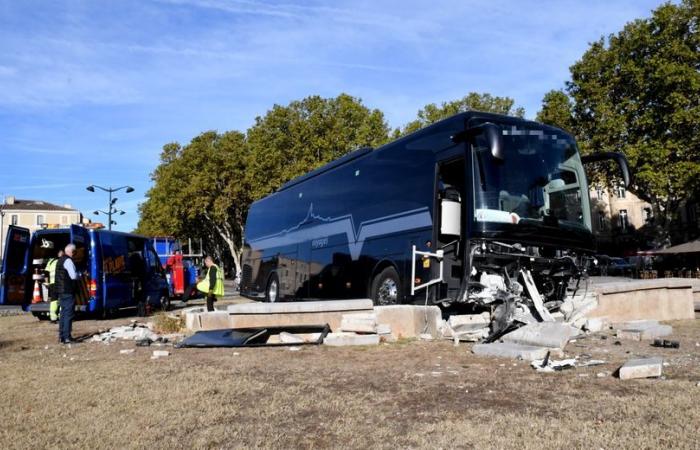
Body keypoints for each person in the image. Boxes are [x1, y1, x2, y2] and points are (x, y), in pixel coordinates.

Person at [55, 243, 79, 344]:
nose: (75, 254)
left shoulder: (60, 260)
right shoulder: (68, 261)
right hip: (68, 290)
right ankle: (67, 337)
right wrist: (80, 275)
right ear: (72, 251)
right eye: (74, 252)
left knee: (63, 314)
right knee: (68, 314)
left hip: (60, 291)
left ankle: (61, 337)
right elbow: (73, 276)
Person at [45, 249, 64, 323]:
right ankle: (61, 316)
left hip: (52, 284)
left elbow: (46, 273)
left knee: (54, 300)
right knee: (62, 299)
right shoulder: (63, 261)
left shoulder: (51, 261)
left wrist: (47, 283)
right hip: (60, 284)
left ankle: (53, 317)